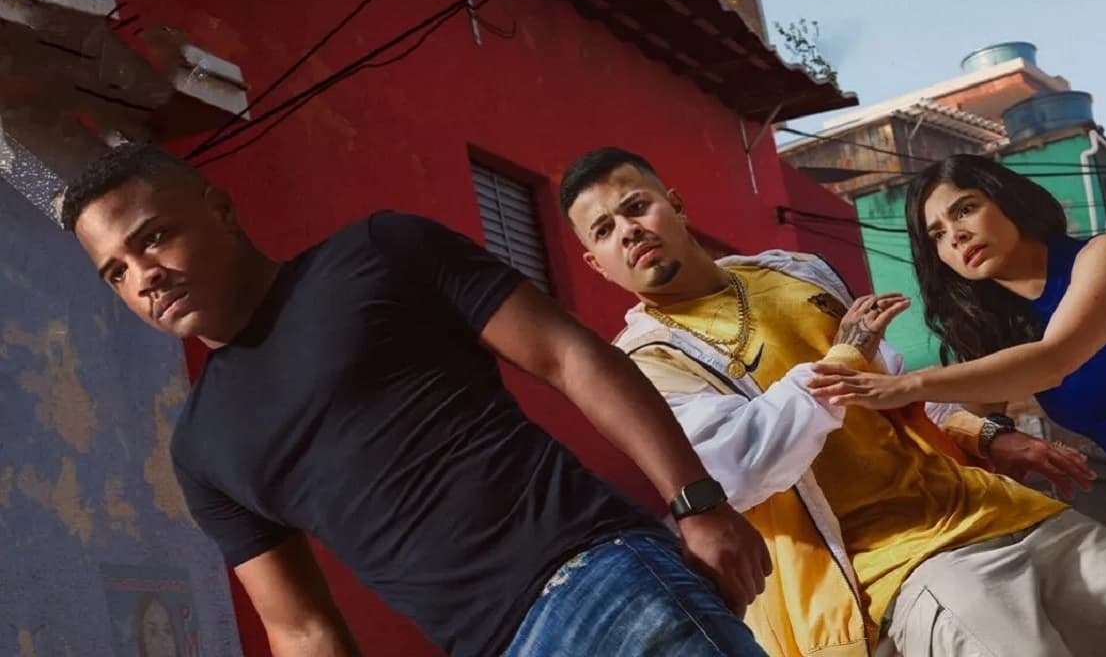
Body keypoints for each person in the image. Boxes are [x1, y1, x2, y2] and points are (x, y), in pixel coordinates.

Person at [62, 143, 772, 657]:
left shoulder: (379, 253)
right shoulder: (201, 448)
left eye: (154, 238)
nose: (143, 278)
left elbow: (569, 356)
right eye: (116, 273)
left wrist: (698, 504)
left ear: (220, 208)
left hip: (603, 583)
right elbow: (301, 630)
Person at [559, 146, 1106, 657]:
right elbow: (736, 468)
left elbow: (893, 383)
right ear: (595, 263)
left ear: (675, 204)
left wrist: (986, 436)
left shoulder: (790, 272)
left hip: (990, 505)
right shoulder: (646, 364)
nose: (628, 231)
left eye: (636, 206)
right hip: (897, 562)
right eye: (603, 230)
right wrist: (844, 354)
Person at [829, 153, 1106, 601]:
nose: (956, 236)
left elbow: (1055, 358)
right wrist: (856, 352)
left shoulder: (1105, 254)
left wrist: (908, 385)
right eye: (938, 236)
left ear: (1007, 200)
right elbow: (960, 417)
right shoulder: (1000, 335)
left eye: (965, 209)